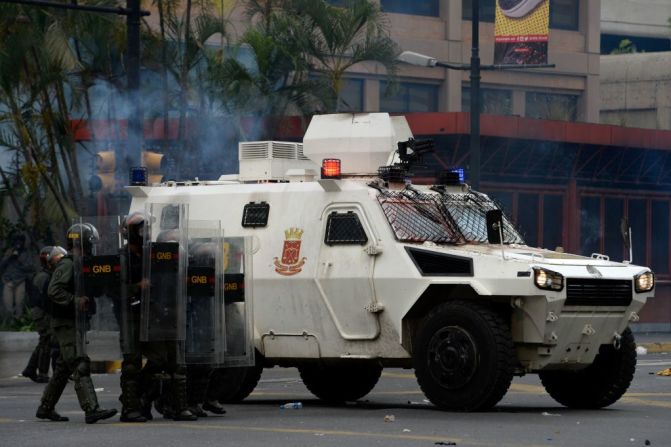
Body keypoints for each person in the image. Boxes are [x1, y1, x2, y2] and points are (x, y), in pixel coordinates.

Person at [36, 225, 117, 423]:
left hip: (73, 321)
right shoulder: (68, 264)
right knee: (79, 363)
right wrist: (75, 300)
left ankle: (45, 408)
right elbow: (54, 290)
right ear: (84, 242)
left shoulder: (79, 263)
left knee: (64, 367)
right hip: (65, 322)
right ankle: (91, 409)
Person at [117, 212, 148, 423]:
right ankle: (130, 407)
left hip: (150, 315)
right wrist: (137, 288)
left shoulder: (147, 255)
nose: (143, 233)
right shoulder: (122, 258)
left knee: (162, 360)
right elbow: (113, 290)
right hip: (129, 316)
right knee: (131, 363)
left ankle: (141, 399)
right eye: (139, 229)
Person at [22, 246, 54, 383]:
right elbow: (42, 299)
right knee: (46, 342)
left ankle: (30, 369)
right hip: (42, 313)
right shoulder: (43, 276)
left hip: (41, 312)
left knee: (44, 341)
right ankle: (42, 373)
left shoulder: (44, 275)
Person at [0, 234, 35, 318]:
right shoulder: (9, 251)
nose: (18, 243)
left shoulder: (26, 253)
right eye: (17, 241)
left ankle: (18, 321)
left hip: (20, 281)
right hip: (8, 281)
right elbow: (1, 266)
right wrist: (8, 257)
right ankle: (10, 323)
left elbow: (31, 268)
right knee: (8, 304)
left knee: (19, 304)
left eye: (20, 241)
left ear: (23, 242)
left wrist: (19, 260)